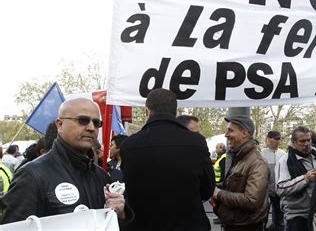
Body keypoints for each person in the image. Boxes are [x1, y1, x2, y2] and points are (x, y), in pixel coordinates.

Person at [1, 98, 130, 224]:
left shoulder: (101, 176)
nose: (91, 127)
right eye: (82, 120)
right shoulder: (32, 175)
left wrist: (121, 214)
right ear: (60, 125)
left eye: (97, 123)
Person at [120, 89, 214, 231]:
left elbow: (130, 189)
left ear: (148, 112)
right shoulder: (196, 142)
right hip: (189, 224)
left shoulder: (129, 145)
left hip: (144, 225)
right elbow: (208, 189)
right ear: (175, 112)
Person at [213, 115, 269, 231]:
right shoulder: (240, 156)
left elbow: (252, 200)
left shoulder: (257, 162)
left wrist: (219, 194)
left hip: (246, 226)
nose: (226, 135)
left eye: (230, 130)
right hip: (235, 223)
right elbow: (235, 186)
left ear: (244, 133)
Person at [275, 126, 316, 231]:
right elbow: (280, 188)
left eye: (308, 140)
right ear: (294, 142)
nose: (306, 144)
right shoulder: (284, 161)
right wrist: (305, 179)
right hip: (296, 216)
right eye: (302, 141)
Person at [261, 131, 286, 231]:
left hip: (278, 189)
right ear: (268, 139)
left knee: (279, 212)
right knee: (263, 212)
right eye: (275, 139)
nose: (277, 141)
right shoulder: (262, 154)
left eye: (279, 139)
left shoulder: (283, 154)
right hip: (265, 189)